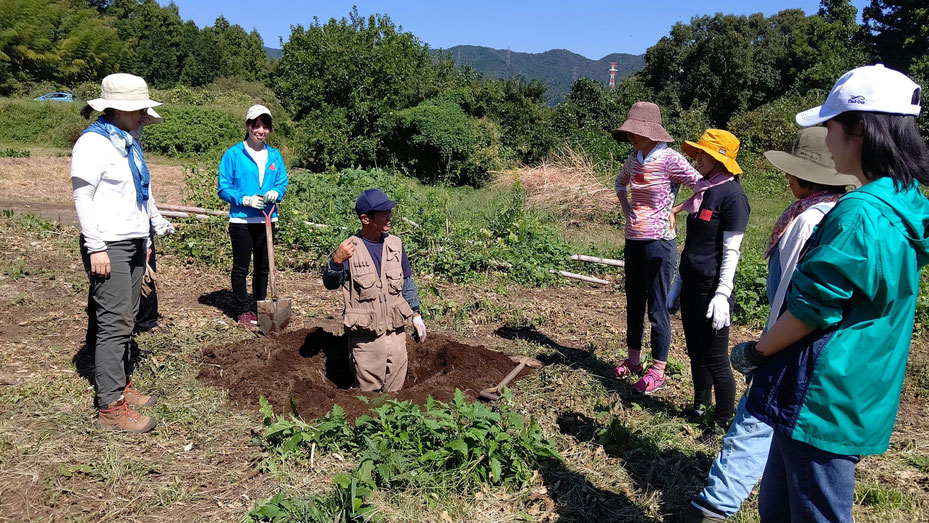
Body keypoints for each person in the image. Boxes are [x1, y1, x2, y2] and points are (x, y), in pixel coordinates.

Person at [731, 64, 929, 522]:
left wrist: (757, 352)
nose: (826, 136)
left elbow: (813, 308)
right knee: (780, 505)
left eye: (830, 125)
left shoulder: (857, 212)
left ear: (859, 129)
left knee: (818, 511)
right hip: (862, 382)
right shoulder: (907, 201)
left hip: (822, 392)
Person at [685, 127, 858, 522]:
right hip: (808, 346)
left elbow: (795, 296)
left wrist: (764, 347)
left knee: (753, 419)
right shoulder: (833, 210)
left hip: (790, 343)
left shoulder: (807, 220)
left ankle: (714, 505)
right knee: (770, 426)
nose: (786, 178)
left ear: (803, 177)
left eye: (791, 172)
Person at [71, 73, 163, 432]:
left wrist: (149, 235)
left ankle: (121, 382)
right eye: (138, 109)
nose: (144, 115)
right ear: (116, 109)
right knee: (114, 322)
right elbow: (83, 197)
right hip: (108, 244)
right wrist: (96, 247)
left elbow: (139, 195)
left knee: (129, 315)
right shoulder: (93, 144)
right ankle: (110, 407)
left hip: (134, 241)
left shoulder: (127, 143)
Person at [612, 101, 703, 394]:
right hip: (633, 239)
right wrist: (628, 212)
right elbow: (620, 184)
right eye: (629, 132)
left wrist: (677, 209)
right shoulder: (636, 157)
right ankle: (634, 361)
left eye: (635, 132)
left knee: (657, 307)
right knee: (634, 303)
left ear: (652, 132)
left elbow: (701, 186)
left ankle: (659, 371)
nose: (631, 137)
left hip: (659, 243)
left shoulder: (670, 159)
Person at [670, 129, 749, 441]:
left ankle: (721, 423)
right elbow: (692, 245)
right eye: (697, 153)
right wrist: (677, 284)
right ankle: (700, 407)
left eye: (704, 154)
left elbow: (731, 251)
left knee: (716, 359)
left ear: (721, 160)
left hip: (712, 290)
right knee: (695, 353)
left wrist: (722, 292)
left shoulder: (733, 198)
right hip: (691, 283)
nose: (697, 159)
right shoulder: (704, 191)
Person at [322, 189, 427, 392]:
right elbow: (330, 283)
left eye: (390, 212)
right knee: (367, 395)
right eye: (383, 213)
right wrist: (336, 261)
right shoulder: (350, 248)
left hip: (395, 333)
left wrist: (416, 314)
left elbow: (406, 281)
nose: (389, 217)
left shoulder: (395, 244)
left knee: (395, 392)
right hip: (366, 337)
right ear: (365, 218)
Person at [217, 105, 288, 329]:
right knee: (241, 267)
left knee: (263, 267)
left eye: (265, 126)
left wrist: (277, 192)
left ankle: (260, 307)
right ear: (248, 126)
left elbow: (281, 181)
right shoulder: (233, 154)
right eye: (256, 125)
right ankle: (243, 310)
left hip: (267, 218)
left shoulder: (274, 155)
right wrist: (244, 199)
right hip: (241, 220)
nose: (261, 130)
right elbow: (223, 187)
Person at [130, 108, 176, 333]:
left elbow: (144, 188)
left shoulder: (135, 148)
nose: (141, 126)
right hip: (120, 223)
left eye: (144, 122)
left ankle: (146, 321)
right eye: (139, 120)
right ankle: (122, 325)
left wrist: (155, 217)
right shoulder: (110, 145)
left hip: (141, 220)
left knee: (148, 269)